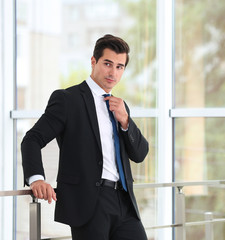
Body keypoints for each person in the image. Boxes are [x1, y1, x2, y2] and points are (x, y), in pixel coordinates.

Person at [21, 34, 149, 240]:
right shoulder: (67, 100)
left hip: (124, 202)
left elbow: (140, 154)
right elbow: (32, 139)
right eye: (108, 64)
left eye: (119, 67)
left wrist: (125, 121)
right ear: (93, 61)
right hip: (89, 203)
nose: (113, 72)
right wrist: (37, 179)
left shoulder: (120, 107)